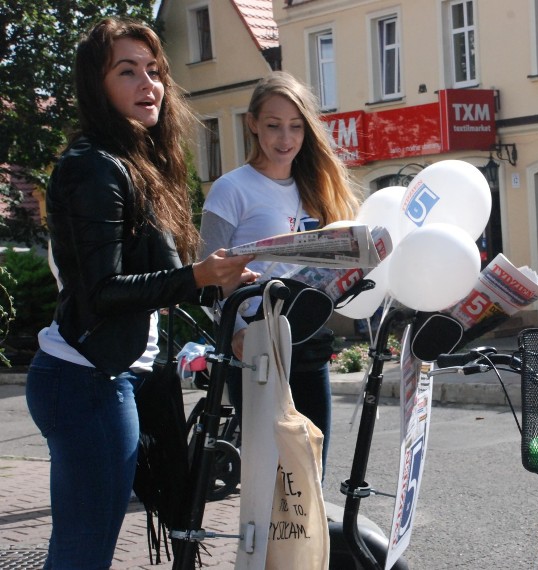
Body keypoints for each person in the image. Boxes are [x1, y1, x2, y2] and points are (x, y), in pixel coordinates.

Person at [24, 18, 258, 569]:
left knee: (86, 547)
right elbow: (104, 292)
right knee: (84, 551)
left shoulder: (137, 165)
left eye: (154, 71)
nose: (148, 84)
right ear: (96, 86)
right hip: (87, 381)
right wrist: (201, 277)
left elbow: (171, 280)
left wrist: (234, 281)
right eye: (127, 72)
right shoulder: (95, 168)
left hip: (105, 377)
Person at [200, 71, 360, 472]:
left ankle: (307, 538)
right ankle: (265, 539)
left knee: (310, 466)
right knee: (267, 474)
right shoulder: (231, 189)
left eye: (295, 127)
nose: (285, 139)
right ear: (252, 124)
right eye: (273, 126)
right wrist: (233, 330)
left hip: (308, 338)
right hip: (254, 343)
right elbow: (206, 277)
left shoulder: (319, 186)